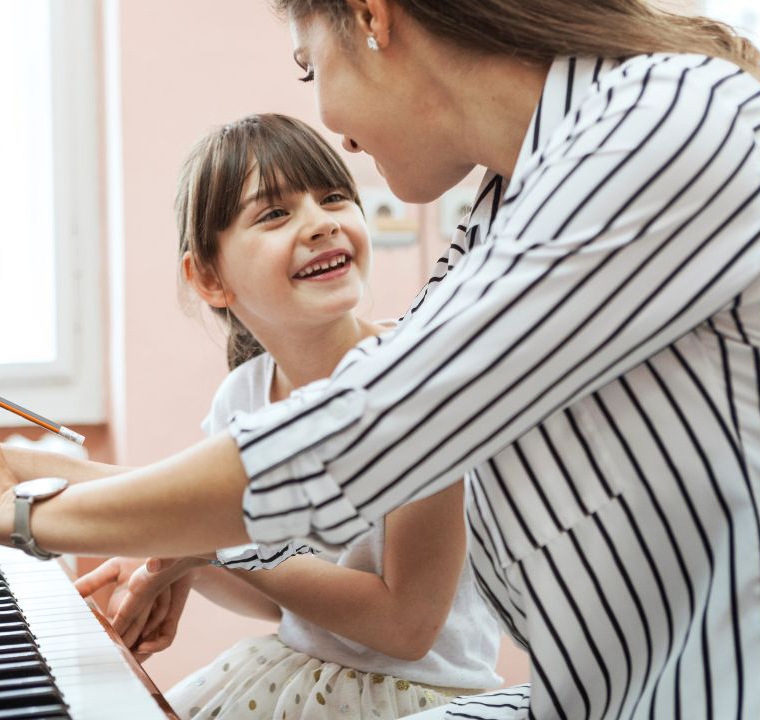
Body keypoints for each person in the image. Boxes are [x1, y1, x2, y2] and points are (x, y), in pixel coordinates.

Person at [0, 0, 760, 717]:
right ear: (209, 279)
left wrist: (17, 499)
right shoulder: (504, 216)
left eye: (308, 69)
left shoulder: (660, 126)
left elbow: (364, 430)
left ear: (371, 16)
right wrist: (10, 461)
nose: (332, 128)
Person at [84, 113, 500, 719]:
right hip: (296, 676)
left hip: (420, 698)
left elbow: (405, 625)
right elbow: (287, 602)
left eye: (334, 197)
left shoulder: (416, 377)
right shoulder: (243, 395)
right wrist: (179, 562)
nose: (322, 222)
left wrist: (213, 546)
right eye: (275, 213)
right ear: (208, 276)